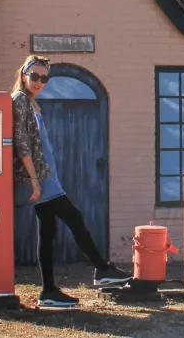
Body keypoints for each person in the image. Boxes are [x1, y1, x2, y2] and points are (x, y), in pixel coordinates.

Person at [11, 55, 131, 308]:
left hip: (46, 175)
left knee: (48, 231)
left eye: (44, 78)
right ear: (24, 75)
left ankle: (49, 291)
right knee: (74, 218)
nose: (39, 82)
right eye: (34, 76)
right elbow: (21, 142)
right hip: (40, 178)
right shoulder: (20, 100)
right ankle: (102, 270)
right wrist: (33, 179)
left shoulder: (32, 103)